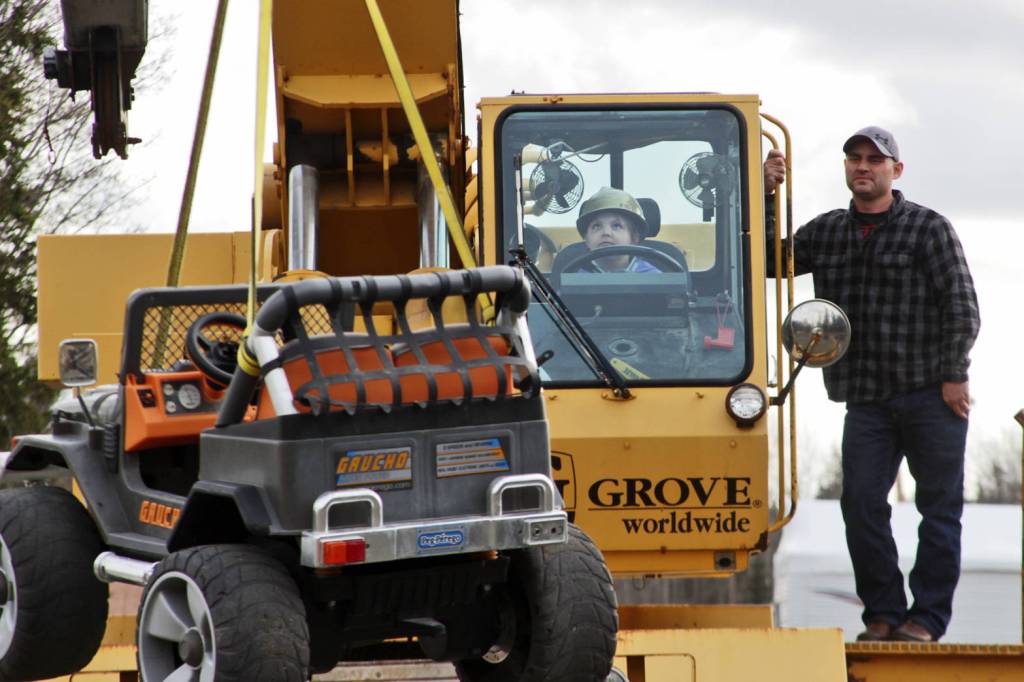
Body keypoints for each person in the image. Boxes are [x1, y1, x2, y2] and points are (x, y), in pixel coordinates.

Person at [764, 126, 980, 643]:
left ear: (895, 171)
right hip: (864, 400)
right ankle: (882, 614)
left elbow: (962, 307)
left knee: (939, 510)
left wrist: (955, 375)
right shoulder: (828, 231)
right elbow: (771, 261)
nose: (863, 167)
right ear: (847, 169)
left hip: (933, 394)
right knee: (859, 504)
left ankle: (926, 620)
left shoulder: (929, 229)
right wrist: (767, 194)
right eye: (854, 159)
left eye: (874, 160)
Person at [574, 187, 660, 272]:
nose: (606, 232)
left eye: (617, 226)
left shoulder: (655, 279)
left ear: (634, 238)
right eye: (596, 226)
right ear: (586, 238)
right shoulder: (573, 280)